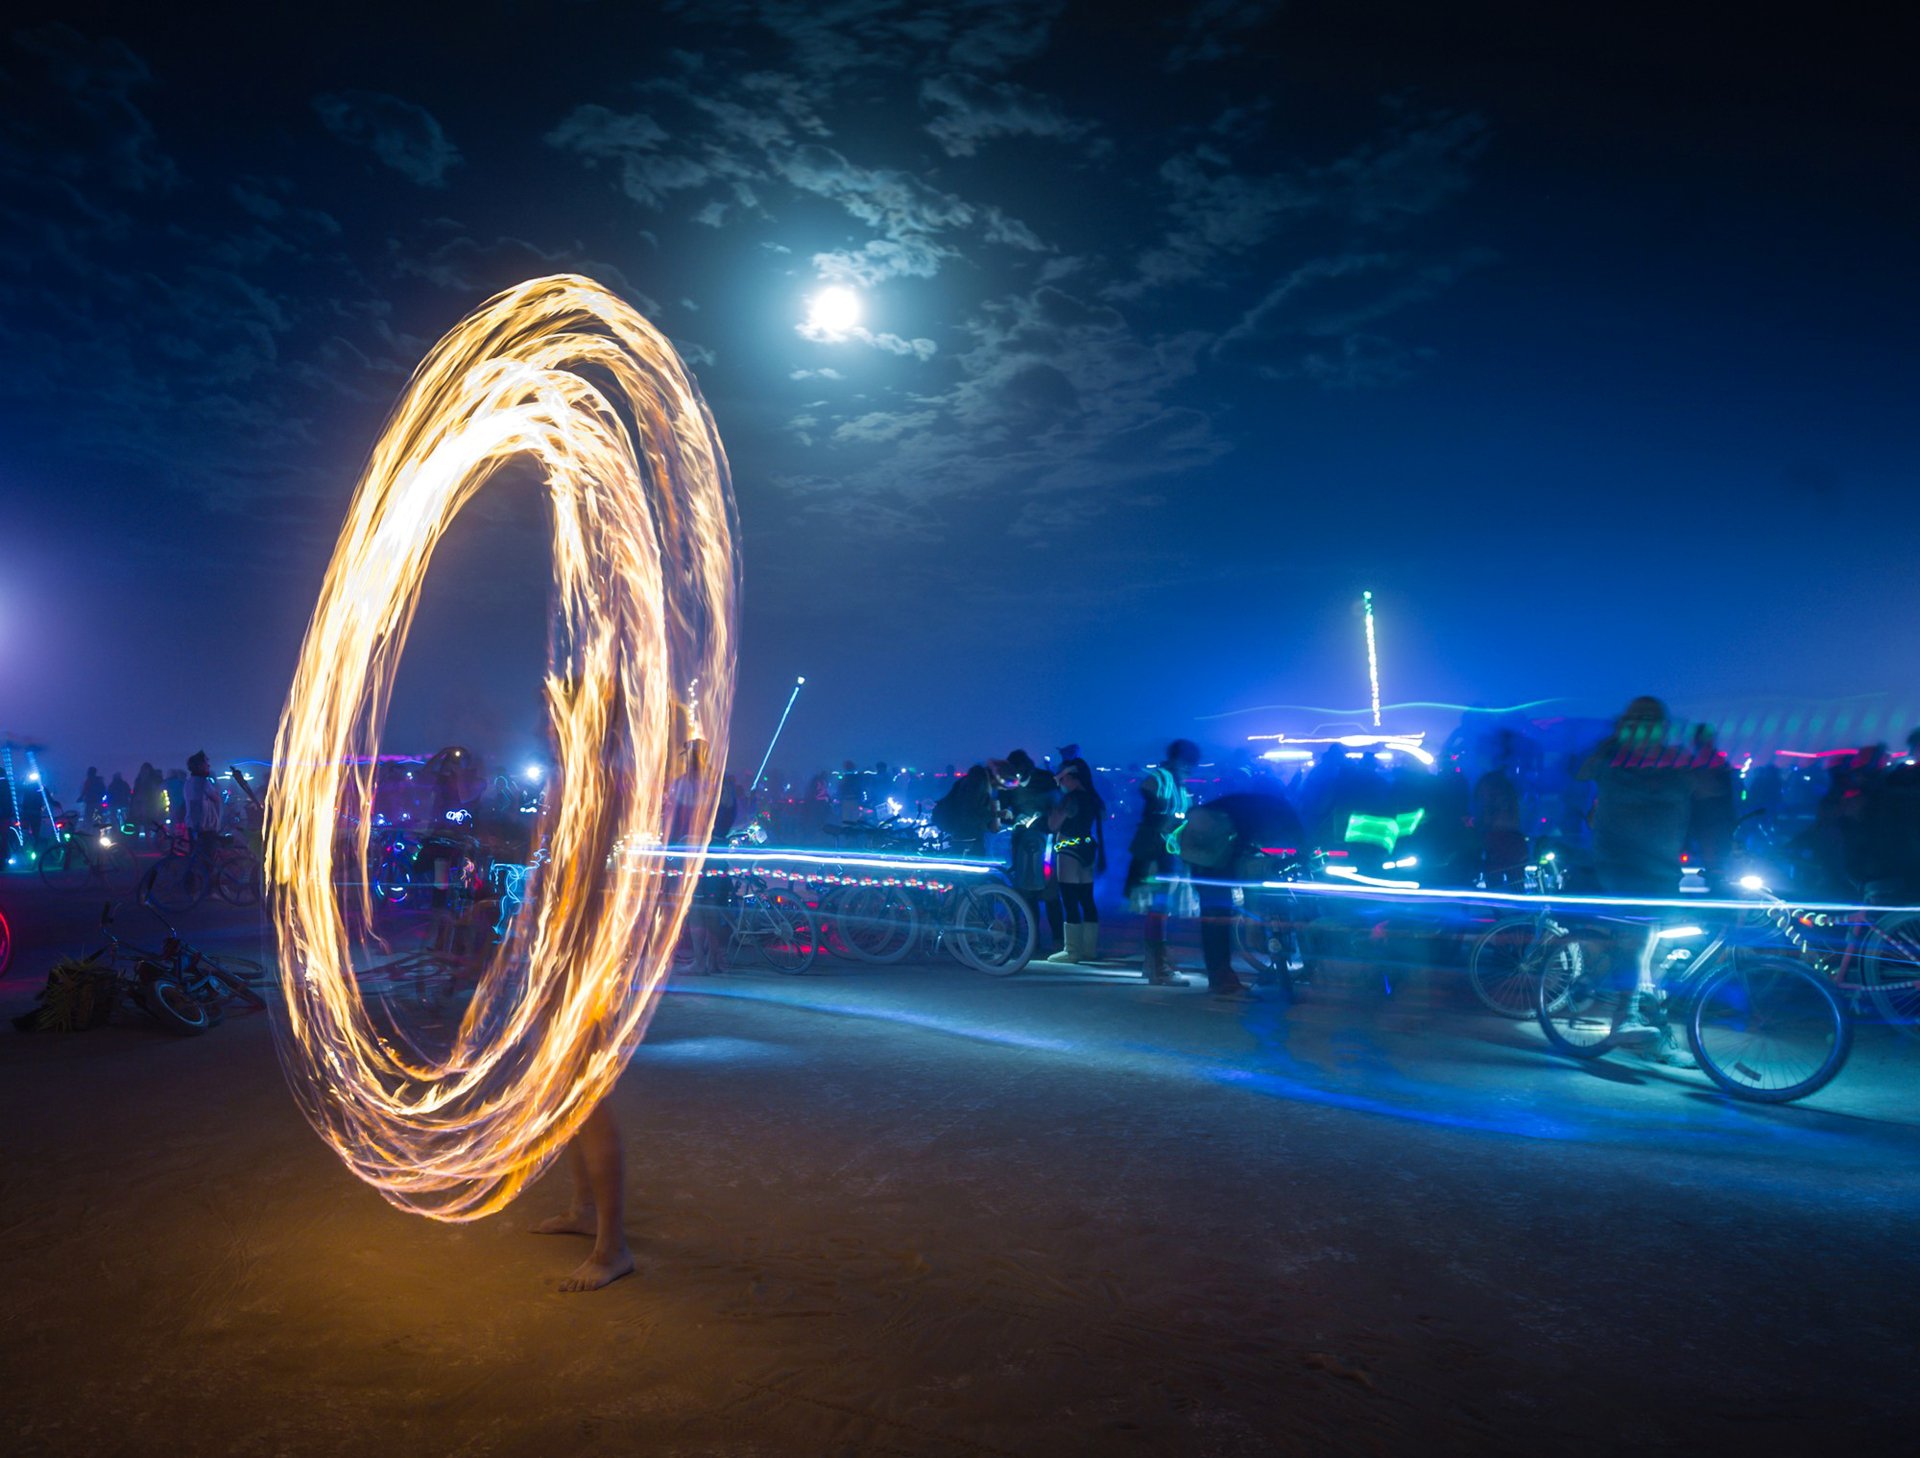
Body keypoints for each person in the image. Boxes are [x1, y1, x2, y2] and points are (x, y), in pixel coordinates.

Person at [1576, 698, 1701, 1065]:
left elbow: (1700, 791)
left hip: (1661, 868)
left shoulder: (1672, 761)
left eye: (1653, 721)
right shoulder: (1612, 760)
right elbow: (1580, 773)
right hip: (1621, 864)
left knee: (1655, 950)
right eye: (1636, 721)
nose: (1645, 728)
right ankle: (1624, 1020)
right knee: (1640, 937)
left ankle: (1653, 1035)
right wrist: (1609, 745)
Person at [1172, 790, 1305, 998]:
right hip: (1209, 858)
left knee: (1216, 919)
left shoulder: (1262, 807)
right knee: (1216, 919)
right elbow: (1247, 845)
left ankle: (1221, 978)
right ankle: (1221, 981)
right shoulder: (1267, 814)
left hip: (1210, 854)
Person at [1125, 740, 1199, 986]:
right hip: (1157, 857)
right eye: (1186, 762)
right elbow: (1147, 789)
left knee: (1160, 911)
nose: (1189, 767)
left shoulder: (1176, 781)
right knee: (1159, 910)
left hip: (1167, 854)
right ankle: (1159, 968)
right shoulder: (1162, 778)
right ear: (1177, 759)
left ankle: (1154, 965)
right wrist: (1161, 815)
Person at [1044, 758, 1106, 964]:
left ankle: (1071, 951)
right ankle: (1090, 949)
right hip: (1087, 848)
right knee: (1087, 899)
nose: (1061, 784)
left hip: (1068, 849)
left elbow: (1053, 825)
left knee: (1069, 898)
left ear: (1070, 777)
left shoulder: (1070, 800)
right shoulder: (1093, 798)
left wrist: (1053, 810)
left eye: (1062, 779)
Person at [1002, 749, 1062, 955]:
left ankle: (1058, 940)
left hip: (1046, 843)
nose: (1017, 779)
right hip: (1021, 842)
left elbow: (1057, 806)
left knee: (1050, 892)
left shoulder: (1045, 780)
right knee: (1027, 894)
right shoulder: (1009, 785)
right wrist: (1011, 817)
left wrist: (1042, 819)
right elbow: (1004, 811)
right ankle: (1032, 940)